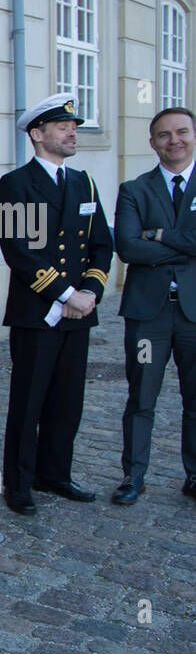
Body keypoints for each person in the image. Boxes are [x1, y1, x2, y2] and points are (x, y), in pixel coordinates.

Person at [0, 95, 114, 515]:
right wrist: (66, 295)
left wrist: (90, 293)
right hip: (38, 312)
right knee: (28, 401)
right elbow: (19, 250)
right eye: (62, 126)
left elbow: (102, 244)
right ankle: (18, 483)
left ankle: (55, 473)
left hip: (79, 313)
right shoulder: (16, 184)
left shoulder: (84, 183)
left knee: (68, 400)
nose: (71, 132)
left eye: (74, 127)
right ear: (37, 133)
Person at [111, 106, 196, 504]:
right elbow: (128, 247)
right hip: (149, 314)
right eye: (164, 135)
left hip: (195, 313)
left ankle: (193, 475)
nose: (173, 140)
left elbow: (146, 244)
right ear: (152, 143)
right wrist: (185, 247)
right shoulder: (135, 189)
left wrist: (160, 236)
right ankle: (133, 476)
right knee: (141, 397)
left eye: (182, 132)